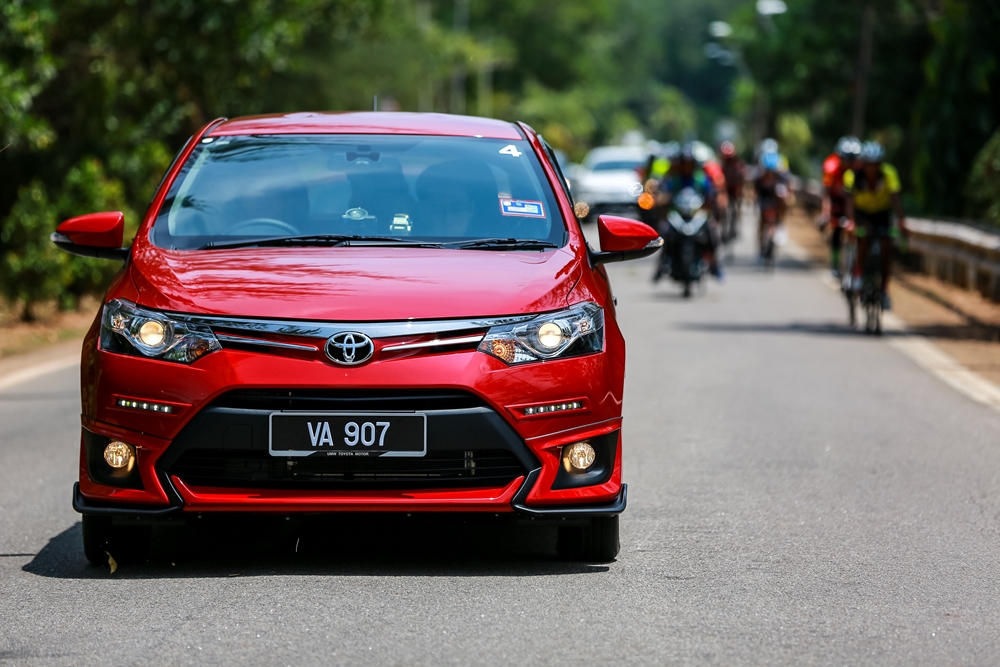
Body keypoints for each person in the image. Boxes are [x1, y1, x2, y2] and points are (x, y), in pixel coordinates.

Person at [844, 141, 908, 310]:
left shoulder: (889, 174)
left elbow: (895, 198)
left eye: (875, 165)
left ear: (880, 164)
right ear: (863, 164)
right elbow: (849, 200)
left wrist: (901, 220)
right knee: (863, 239)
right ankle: (858, 277)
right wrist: (851, 221)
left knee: (886, 247)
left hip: (881, 214)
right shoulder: (853, 176)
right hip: (861, 214)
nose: (871, 169)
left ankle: (885, 290)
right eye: (868, 165)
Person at [656, 143, 722, 279]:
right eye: (684, 163)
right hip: (677, 215)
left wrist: (711, 201)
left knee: (712, 232)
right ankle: (662, 265)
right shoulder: (674, 179)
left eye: (689, 163)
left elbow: (710, 193)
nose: (687, 166)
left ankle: (714, 264)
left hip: (697, 214)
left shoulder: (700, 178)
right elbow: (664, 193)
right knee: (664, 233)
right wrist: (663, 199)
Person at [819, 136, 862, 276]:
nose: (849, 164)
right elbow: (826, 193)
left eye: (852, 160)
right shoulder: (831, 166)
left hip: (855, 201)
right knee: (836, 230)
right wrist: (825, 213)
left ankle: (857, 263)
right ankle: (835, 264)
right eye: (846, 160)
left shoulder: (861, 168)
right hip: (836, 200)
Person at [753, 149, 789, 259]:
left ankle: (780, 222)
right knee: (762, 221)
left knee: (785, 201)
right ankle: (760, 247)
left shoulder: (781, 178)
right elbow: (755, 193)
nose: (770, 175)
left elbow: (786, 193)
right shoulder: (759, 178)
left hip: (775, 202)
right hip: (764, 199)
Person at [719, 141, 746, 243]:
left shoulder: (738, 166)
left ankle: (734, 228)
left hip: (735, 191)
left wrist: (740, 191)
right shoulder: (721, 167)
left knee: (735, 209)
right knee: (723, 209)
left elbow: (742, 180)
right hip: (724, 190)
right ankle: (723, 228)